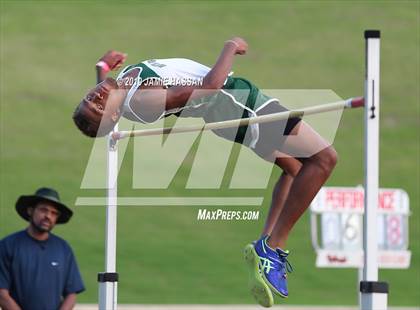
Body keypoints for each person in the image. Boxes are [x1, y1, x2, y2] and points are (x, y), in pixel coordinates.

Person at [72, 37, 338, 307]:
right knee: (324, 160)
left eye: (88, 98)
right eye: (97, 106)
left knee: (293, 171)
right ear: (114, 114)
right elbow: (211, 87)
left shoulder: (116, 89)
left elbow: (102, 91)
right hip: (241, 103)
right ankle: (272, 248)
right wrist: (231, 46)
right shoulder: (143, 100)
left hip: (226, 116)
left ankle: (265, 247)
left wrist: (103, 65)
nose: (94, 96)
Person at [0, 188, 85, 310]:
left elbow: (71, 293)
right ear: (30, 211)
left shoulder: (63, 249)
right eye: (43, 210)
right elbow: (2, 294)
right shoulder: (8, 246)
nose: (48, 216)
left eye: (54, 213)